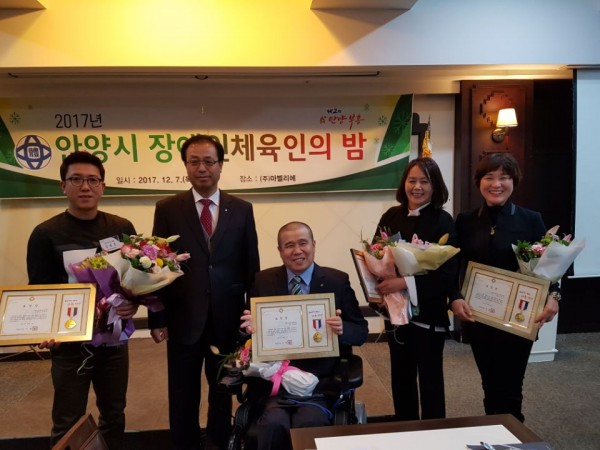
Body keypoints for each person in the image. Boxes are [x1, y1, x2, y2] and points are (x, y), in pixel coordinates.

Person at [149, 134, 260, 450]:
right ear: (185, 166)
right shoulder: (168, 208)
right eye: (194, 161)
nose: (202, 168)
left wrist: (254, 317)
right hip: (183, 317)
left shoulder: (242, 209)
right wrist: (157, 318)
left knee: (223, 390)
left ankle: (218, 443)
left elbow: (251, 266)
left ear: (220, 165)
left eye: (209, 161)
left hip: (227, 318)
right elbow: (156, 268)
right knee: (182, 391)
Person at [26, 151, 138, 450]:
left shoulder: (121, 228)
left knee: (114, 413)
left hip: (113, 340)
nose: (85, 186)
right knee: (68, 418)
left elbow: (133, 280)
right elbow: (39, 290)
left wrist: (133, 304)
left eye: (92, 180)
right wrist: (44, 329)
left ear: (103, 186)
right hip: (69, 342)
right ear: (63, 185)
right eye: (76, 179)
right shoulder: (46, 234)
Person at [239, 221, 368, 450]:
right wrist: (247, 330)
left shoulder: (337, 281)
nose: (297, 251)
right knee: (273, 424)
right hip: (276, 383)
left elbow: (360, 331)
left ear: (313, 245)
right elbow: (245, 333)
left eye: (303, 243)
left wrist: (342, 329)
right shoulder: (262, 281)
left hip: (320, 383)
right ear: (280, 251)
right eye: (289, 245)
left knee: (310, 423)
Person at [451, 152, 560, 422]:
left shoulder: (530, 219)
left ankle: (512, 433)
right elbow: (452, 265)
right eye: (489, 177)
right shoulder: (465, 221)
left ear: (514, 181)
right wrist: (454, 297)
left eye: (504, 177)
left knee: (511, 385)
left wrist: (554, 295)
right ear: (479, 182)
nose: (496, 184)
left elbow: (549, 266)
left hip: (518, 315)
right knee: (489, 381)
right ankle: (493, 427)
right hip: (479, 315)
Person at [370, 157, 460, 421]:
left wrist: (404, 282)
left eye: (424, 181)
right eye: (412, 180)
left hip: (428, 312)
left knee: (430, 378)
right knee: (401, 375)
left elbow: (447, 274)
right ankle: (404, 426)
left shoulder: (443, 221)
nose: (417, 187)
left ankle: (434, 431)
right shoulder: (391, 216)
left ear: (435, 186)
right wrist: (376, 288)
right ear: (404, 184)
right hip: (395, 311)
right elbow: (375, 255)